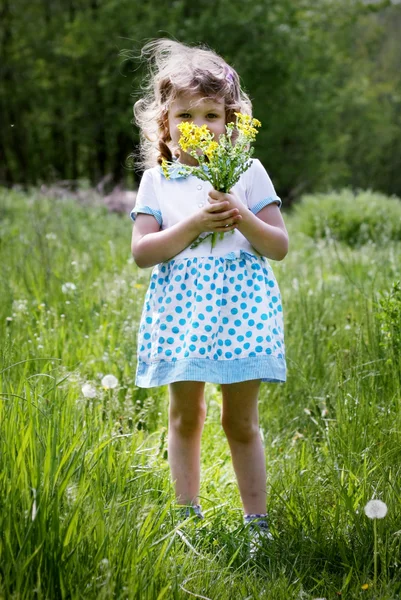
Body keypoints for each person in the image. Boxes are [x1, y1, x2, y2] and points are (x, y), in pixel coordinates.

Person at [130, 39, 288, 548]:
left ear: (231, 121)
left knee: (240, 420)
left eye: (211, 113)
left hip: (241, 311)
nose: (198, 124)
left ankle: (256, 523)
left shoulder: (247, 173)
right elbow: (143, 252)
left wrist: (240, 214)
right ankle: (186, 515)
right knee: (186, 414)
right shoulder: (158, 181)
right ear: (166, 126)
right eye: (184, 115)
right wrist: (197, 223)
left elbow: (278, 246)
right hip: (184, 312)